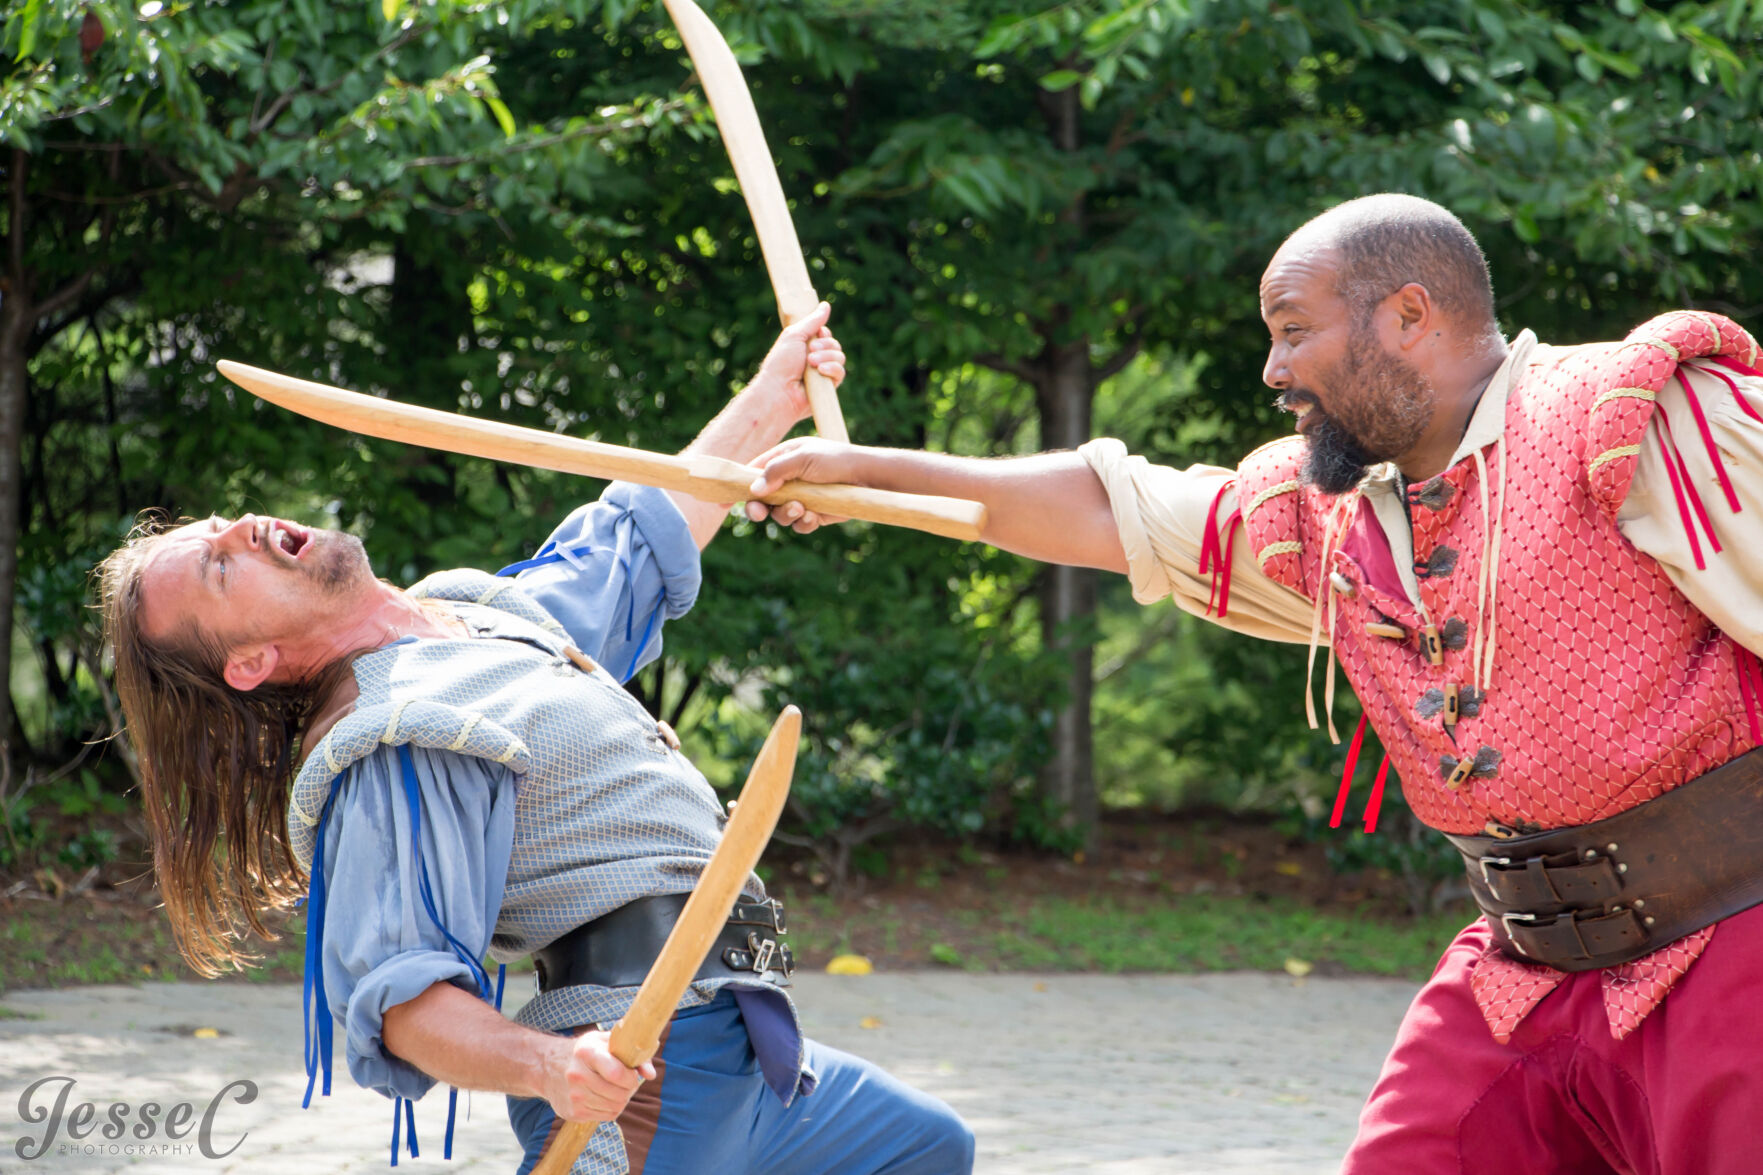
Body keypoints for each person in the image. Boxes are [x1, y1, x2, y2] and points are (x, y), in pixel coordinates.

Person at [742, 193, 1763, 1173]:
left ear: (1408, 314)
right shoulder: (1329, 513)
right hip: (1518, 972)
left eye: (1291, 330)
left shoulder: (1637, 417)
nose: (1273, 369)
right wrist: (869, 480)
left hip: (1729, 954)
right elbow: (1115, 510)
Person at [93, 304, 975, 1175]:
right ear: (249, 663)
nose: (240, 528)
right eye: (219, 566)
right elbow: (401, 1000)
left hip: (756, 1055)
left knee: (926, 1148)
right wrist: (550, 1066)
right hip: (642, 1086)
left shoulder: (477, 616)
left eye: (217, 526)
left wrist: (773, 396)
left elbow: (636, 536)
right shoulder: (389, 740)